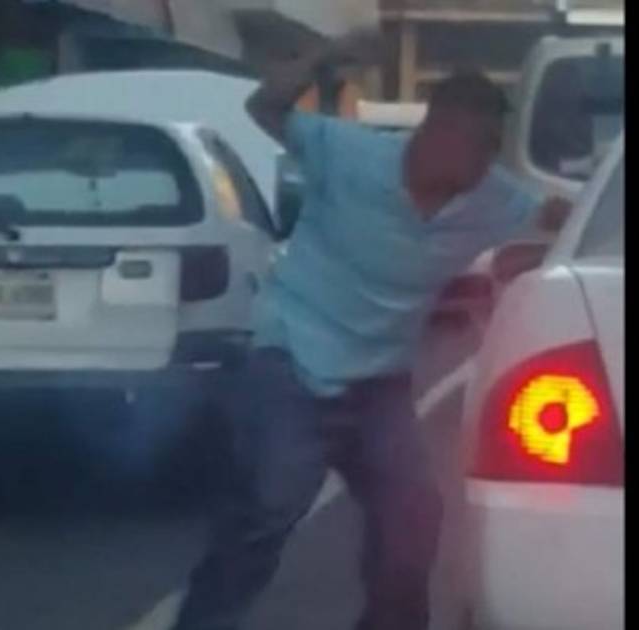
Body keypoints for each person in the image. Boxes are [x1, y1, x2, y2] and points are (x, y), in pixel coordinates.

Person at [172, 31, 571, 630]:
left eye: (494, 149)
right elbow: (264, 107)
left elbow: (564, 218)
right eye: (479, 147)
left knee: (415, 518)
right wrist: (326, 54)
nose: (487, 164)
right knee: (271, 503)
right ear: (437, 133)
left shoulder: (494, 199)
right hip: (291, 355)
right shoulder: (348, 152)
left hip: (378, 381)